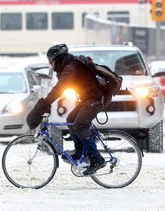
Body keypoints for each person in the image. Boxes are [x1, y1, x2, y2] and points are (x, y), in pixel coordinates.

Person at [26, 43, 113, 175]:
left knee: (79, 125)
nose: (51, 65)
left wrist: (43, 105)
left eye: (51, 61)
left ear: (58, 59)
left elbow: (58, 89)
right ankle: (79, 151)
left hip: (96, 98)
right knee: (71, 119)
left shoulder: (71, 68)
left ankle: (97, 159)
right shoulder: (69, 67)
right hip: (89, 98)